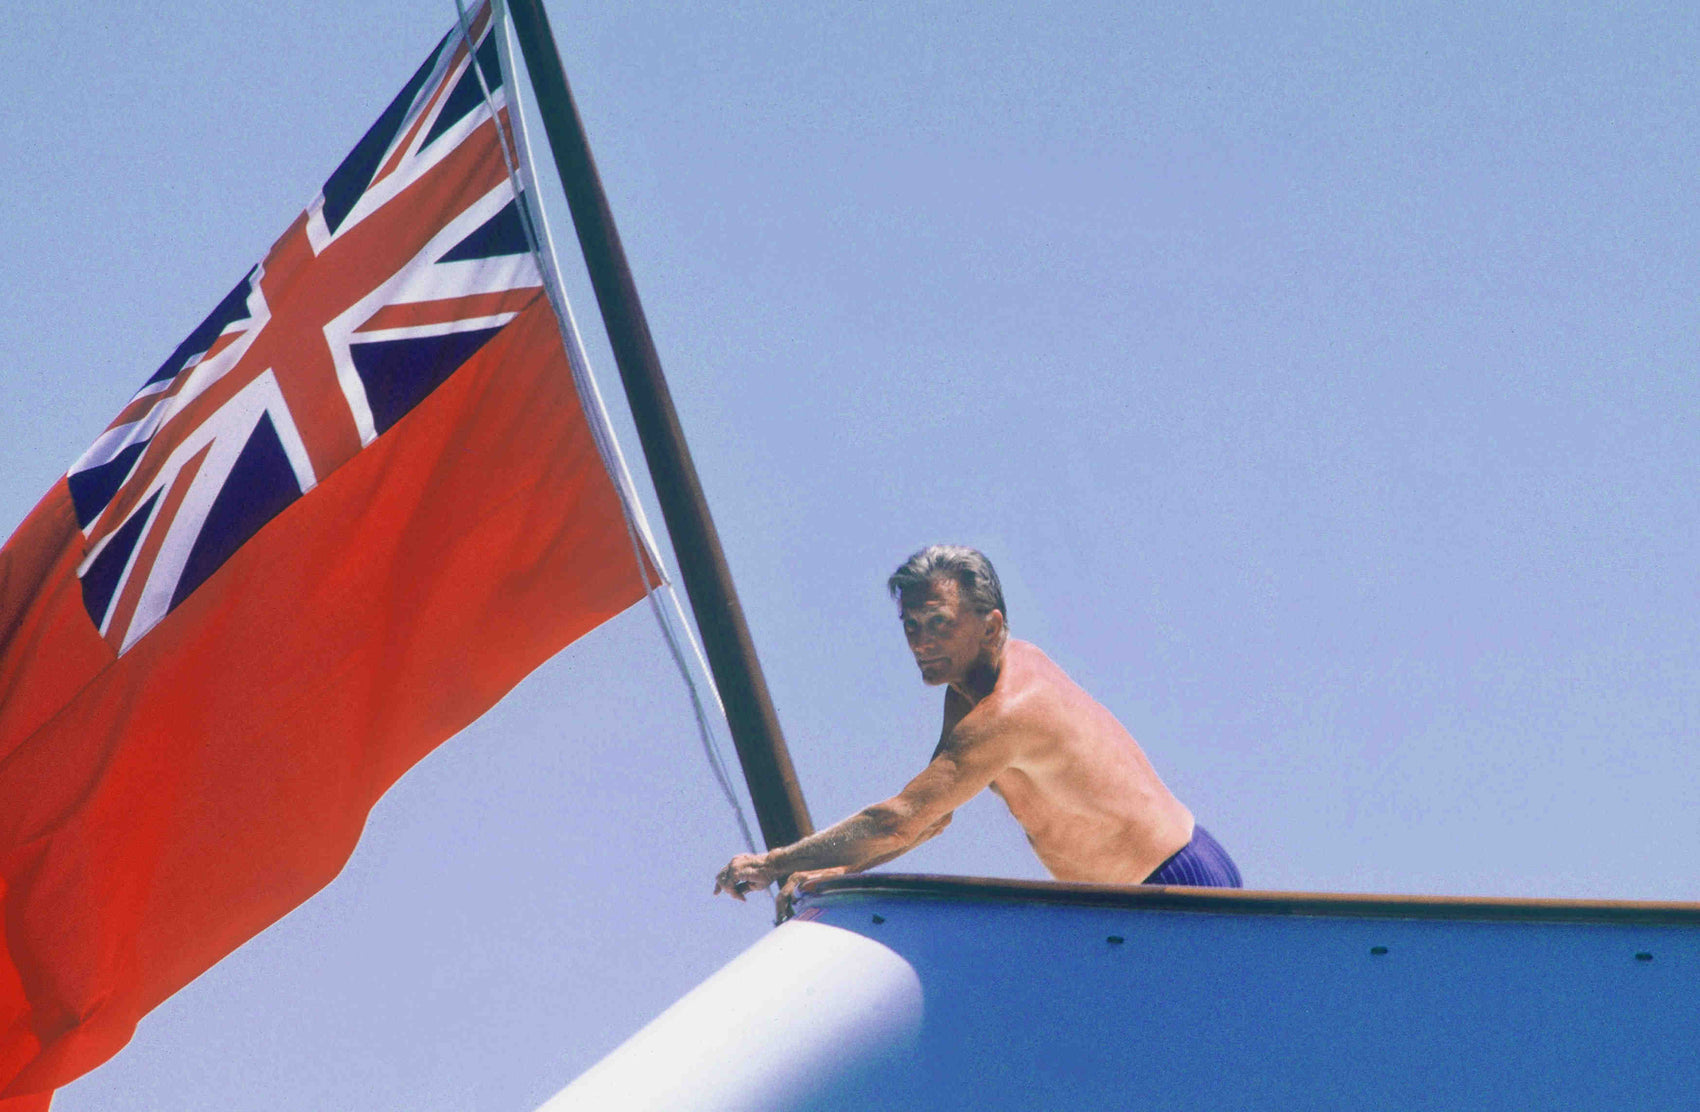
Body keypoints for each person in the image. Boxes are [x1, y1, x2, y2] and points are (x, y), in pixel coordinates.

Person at [713, 545, 1240, 905]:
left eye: (939, 623)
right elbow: (930, 818)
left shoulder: (1010, 710)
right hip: (1123, 902)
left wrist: (771, 863)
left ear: (991, 626)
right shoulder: (969, 690)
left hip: (1178, 884)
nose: (921, 642)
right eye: (912, 626)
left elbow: (899, 817)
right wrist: (841, 874)